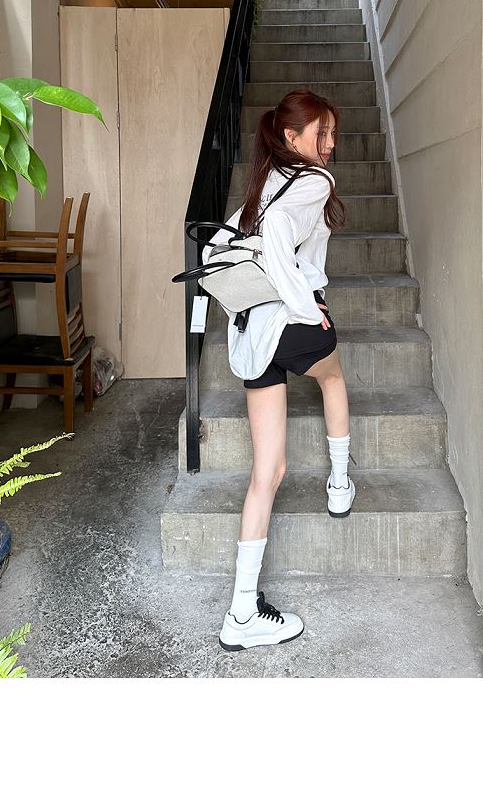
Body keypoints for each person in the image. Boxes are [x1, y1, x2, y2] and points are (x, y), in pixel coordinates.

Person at [215, 89, 352, 651]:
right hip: (291, 323)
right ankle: (339, 484)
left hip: (254, 333)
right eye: (322, 134)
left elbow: (225, 242)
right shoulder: (313, 181)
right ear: (292, 137)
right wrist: (306, 307)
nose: (330, 144)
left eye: (333, 134)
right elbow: (275, 240)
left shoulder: (265, 182)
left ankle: (242, 612)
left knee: (266, 472)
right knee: (333, 379)